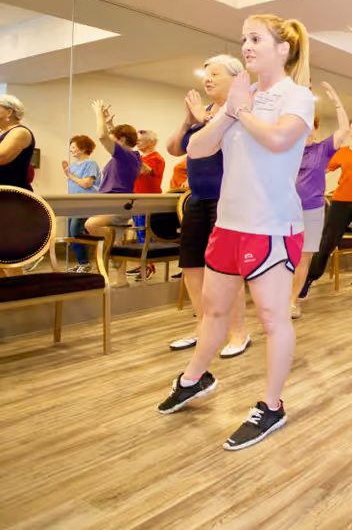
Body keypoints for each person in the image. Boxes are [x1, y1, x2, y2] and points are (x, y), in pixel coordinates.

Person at [157, 14, 314, 452]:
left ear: (282, 49)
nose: (246, 46)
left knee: (271, 318)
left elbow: (280, 141)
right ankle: (194, 378)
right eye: (243, 38)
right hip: (228, 223)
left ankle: (271, 405)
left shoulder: (296, 96)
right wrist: (232, 108)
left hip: (271, 226)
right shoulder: (240, 99)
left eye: (256, 39)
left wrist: (241, 107)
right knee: (212, 310)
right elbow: (196, 148)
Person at [164, 55, 250, 358]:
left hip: (227, 200)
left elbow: (236, 140)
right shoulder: (204, 112)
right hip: (197, 199)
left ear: (236, 78)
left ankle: (239, 332)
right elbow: (175, 148)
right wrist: (189, 119)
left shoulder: (241, 108)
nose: (207, 79)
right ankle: (204, 328)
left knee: (227, 271)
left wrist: (203, 116)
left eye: (215, 73)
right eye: (205, 74)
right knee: (191, 265)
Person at [301, 115, 352, 302]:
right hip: (341, 202)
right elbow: (322, 168)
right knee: (326, 243)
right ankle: (308, 280)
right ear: (350, 132)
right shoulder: (342, 152)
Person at [289, 81, 350, 318]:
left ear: (315, 129)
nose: (305, 131)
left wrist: (336, 101)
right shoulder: (284, 150)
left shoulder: (323, 149)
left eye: (310, 127)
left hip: (312, 210)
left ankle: (292, 301)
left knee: (303, 257)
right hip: (284, 210)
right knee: (283, 258)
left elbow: (344, 128)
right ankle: (277, 300)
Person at [84, 101, 141, 240]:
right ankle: (116, 243)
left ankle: (115, 241)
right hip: (112, 203)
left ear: (121, 139)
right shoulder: (129, 156)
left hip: (118, 205)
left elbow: (103, 137)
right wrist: (110, 125)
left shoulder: (127, 156)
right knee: (109, 251)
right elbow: (115, 140)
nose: (111, 139)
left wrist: (99, 114)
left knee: (91, 225)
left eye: (114, 138)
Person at [128, 130, 166, 278]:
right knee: (139, 232)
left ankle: (148, 265)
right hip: (138, 199)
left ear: (151, 142)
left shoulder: (157, 158)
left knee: (145, 232)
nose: (137, 143)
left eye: (140, 141)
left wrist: (132, 156)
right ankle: (143, 263)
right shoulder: (142, 157)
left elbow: (147, 171)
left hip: (148, 201)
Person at [61, 135, 101, 273]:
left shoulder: (90, 163)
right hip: (74, 203)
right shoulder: (73, 165)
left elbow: (86, 183)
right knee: (71, 234)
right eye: (71, 147)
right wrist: (67, 173)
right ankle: (81, 263)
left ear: (84, 149)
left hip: (85, 203)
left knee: (76, 231)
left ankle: (85, 263)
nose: (71, 150)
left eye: (74, 147)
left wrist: (70, 175)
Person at [0, 95, 35, 191]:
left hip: (13, 196)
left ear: (9, 112)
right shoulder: (2, 133)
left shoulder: (20, 132)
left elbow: (2, 157)